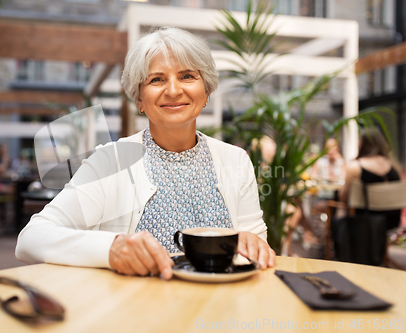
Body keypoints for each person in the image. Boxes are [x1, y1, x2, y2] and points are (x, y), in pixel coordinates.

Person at [15, 27, 276, 280]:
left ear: (205, 91)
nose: (173, 90)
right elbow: (31, 239)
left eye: (187, 76)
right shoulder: (110, 162)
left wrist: (253, 245)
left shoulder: (236, 161)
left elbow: (257, 251)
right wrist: (111, 249)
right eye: (156, 79)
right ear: (139, 99)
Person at [339, 128, 403, 230]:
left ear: (361, 143)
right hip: (392, 223)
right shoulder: (394, 166)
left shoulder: (355, 167)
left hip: (364, 224)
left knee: (339, 209)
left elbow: (344, 198)